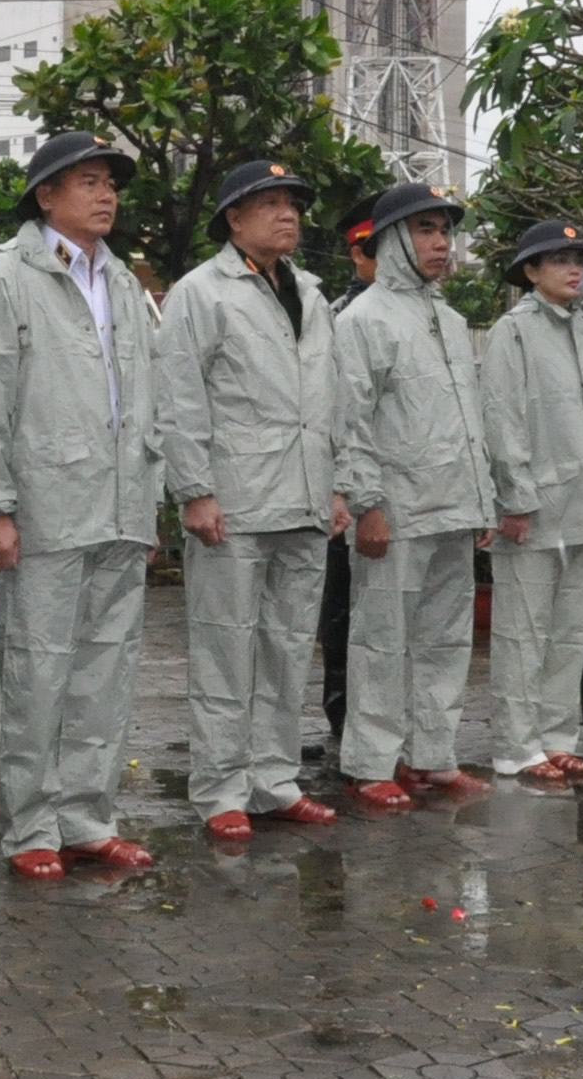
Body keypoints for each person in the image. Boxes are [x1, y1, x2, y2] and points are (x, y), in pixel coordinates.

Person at [0, 132, 162, 877]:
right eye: (87, 182)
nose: (105, 195)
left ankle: (87, 817)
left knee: (106, 667)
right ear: (46, 195)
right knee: (35, 668)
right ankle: (31, 825)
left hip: (117, 503)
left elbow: (144, 399)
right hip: (42, 505)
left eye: (110, 182)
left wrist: (148, 500)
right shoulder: (5, 279)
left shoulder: (126, 285)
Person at [154, 160, 345, 844]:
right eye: (269, 204)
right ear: (235, 220)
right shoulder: (201, 293)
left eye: (293, 203)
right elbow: (177, 397)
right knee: (226, 647)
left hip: (303, 493)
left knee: (290, 646)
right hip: (233, 499)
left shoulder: (313, 293)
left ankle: (274, 778)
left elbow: (332, 394)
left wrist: (338, 482)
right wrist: (194, 491)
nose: (287, 215)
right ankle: (220, 787)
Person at [333, 181, 495, 813]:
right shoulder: (362, 320)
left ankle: (431, 754)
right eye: (425, 230)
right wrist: (366, 503)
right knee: (380, 639)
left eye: (444, 230)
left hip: (453, 505)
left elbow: (467, 417)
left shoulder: (451, 321)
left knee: (446, 639)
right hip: (394, 510)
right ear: (394, 239)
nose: (439, 243)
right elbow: (350, 420)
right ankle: (370, 762)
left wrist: (481, 501)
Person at [479, 219, 583, 792]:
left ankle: (559, 736)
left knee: (569, 630)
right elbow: (501, 417)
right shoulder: (512, 332)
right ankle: (516, 746)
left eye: (579, 258)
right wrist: (513, 496)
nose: (573, 268)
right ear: (531, 271)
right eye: (558, 259)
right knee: (522, 630)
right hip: (533, 508)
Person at [311, 194, 378, 760]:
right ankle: (344, 712)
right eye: (370, 249)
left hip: (408, 484)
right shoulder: (335, 314)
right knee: (343, 608)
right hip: (347, 485)